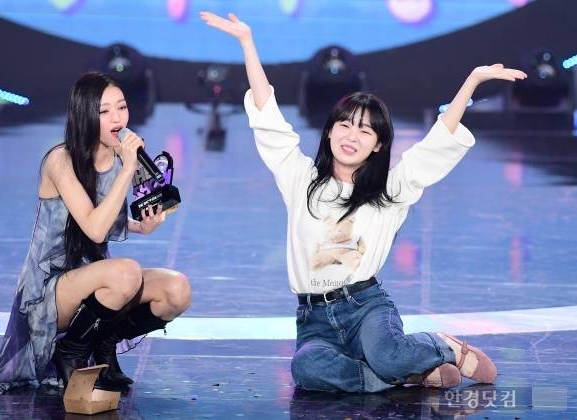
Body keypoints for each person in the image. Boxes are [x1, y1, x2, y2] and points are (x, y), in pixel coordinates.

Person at [201, 12, 526, 392]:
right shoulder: (301, 178)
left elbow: (436, 145)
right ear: (329, 133)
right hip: (314, 319)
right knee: (307, 369)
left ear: (378, 145)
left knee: (387, 354)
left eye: (365, 130)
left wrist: (472, 81)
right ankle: (404, 373)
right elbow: (268, 120)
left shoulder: (391, 190)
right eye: (344, 125)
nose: (351, 136)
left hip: (366, 307)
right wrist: (247, 42)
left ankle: (441, 347)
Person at [0, 72, 191, 400]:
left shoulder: (118, 156)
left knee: (176, 289)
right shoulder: (60, 160)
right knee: (126, 272)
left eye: (122, 107)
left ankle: (104, 342)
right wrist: (128, 169)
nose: (117, 118)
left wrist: (141, 225)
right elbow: (94, 227)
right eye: (105, 111)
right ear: (85, 114)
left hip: (97, 281)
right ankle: (69, 352)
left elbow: (106, 215)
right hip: (50, 290)